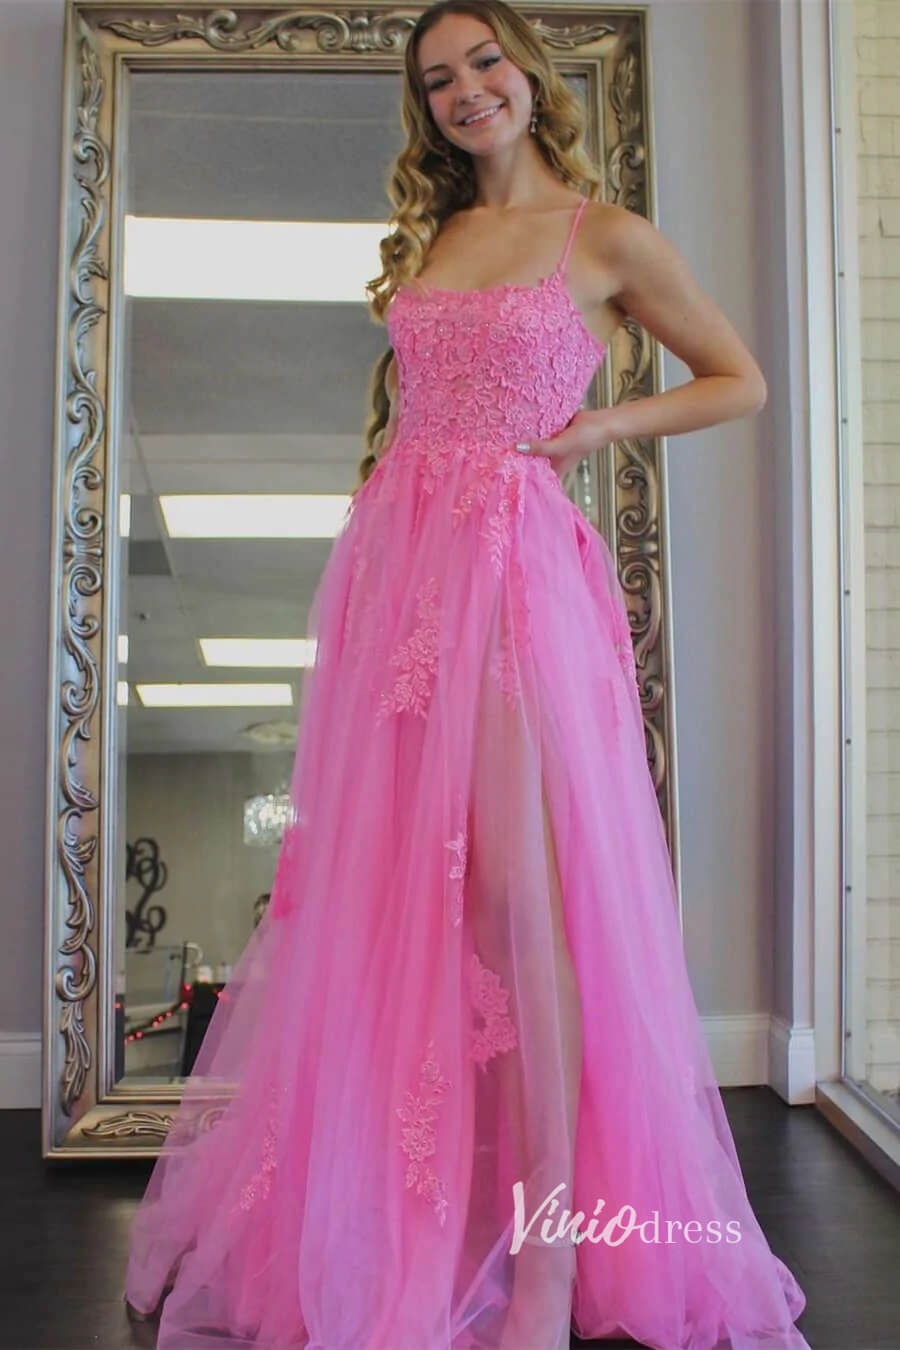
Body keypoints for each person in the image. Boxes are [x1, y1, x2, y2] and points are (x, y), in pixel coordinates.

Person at [124, 1, 812, 1347]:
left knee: (517, 897)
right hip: (403, 571)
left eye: (485, 61)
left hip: (514, 570)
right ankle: (426, 1209)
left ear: (526, 73)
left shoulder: (604, 236)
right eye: (439, 78)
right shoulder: (430, 237)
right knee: (404, 892)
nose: (466, 90)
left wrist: (601, 425)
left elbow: (739, 380)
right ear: (426, 106)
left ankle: (549, 1254)